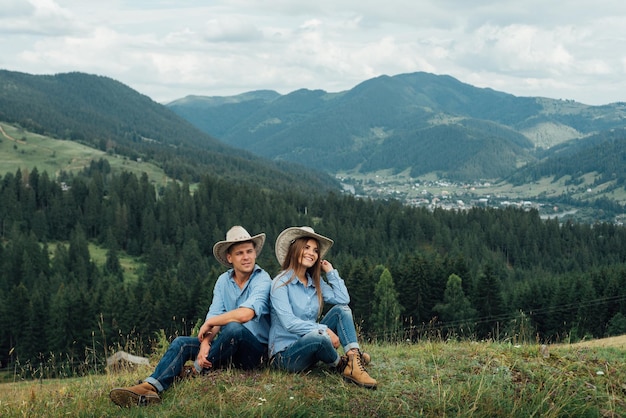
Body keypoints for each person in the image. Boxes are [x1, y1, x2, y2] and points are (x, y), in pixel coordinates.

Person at [109, 226, 272, 407]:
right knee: (182, 342)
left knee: (235, 329)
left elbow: (245, 314)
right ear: (229, 258)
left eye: (249, 251)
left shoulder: (262, 279)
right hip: (225, 347)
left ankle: (194, 371)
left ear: (255, 253)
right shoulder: (223, 281)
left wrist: (210, 323)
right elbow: (215, 313)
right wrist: (205, 343)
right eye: (240, 253)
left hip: (254, 352)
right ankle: (150, 387)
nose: (246, 257)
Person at [268, 226, 377, 389]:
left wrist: (330, 272)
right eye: (306, 247)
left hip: (312, 348)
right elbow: (289, 323)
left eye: (315, 250)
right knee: (319, 337)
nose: (311, 253)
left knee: (342, 311)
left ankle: (354, 360)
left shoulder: (315, 282)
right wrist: (324, 330)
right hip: (286, 356)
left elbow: (343, 299)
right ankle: (342, 364)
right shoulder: (280, 283)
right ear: (295, 249)